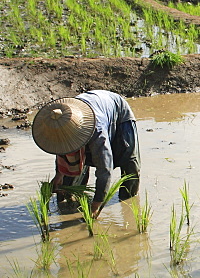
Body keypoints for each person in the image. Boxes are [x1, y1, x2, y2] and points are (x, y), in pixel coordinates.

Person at [32, 90, 140, 218]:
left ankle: (128, 198)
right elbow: (62, 153)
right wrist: (59, 175)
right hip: (87, 108)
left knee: (129, 161)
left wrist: (96, 205)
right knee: (70, 180)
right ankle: (72, 195)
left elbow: (105, 170)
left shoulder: (97, 133)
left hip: (118, 112)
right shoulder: (59, 127)